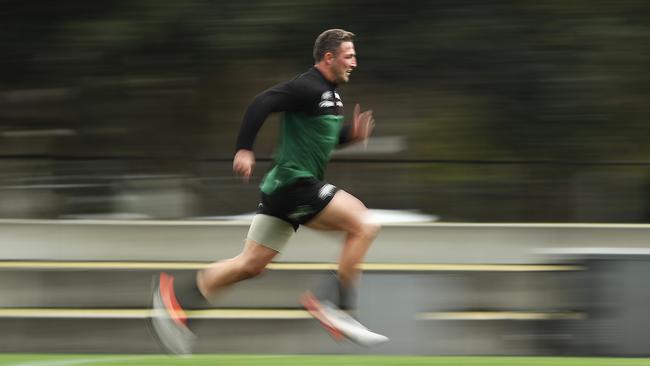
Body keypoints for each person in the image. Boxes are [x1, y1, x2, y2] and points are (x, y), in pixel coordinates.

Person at [150, 28, 388, 356]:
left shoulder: (331, 95)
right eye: (349, 56)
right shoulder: (307, 86)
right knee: (364, 224)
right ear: (329, 58)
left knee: (250, 264)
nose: (354, 62)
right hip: (296, 185)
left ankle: (178, 300)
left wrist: (350, 136)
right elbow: (262, 102)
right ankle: (333, 305)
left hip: (282, 190)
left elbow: (320, 140)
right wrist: (244, 149)